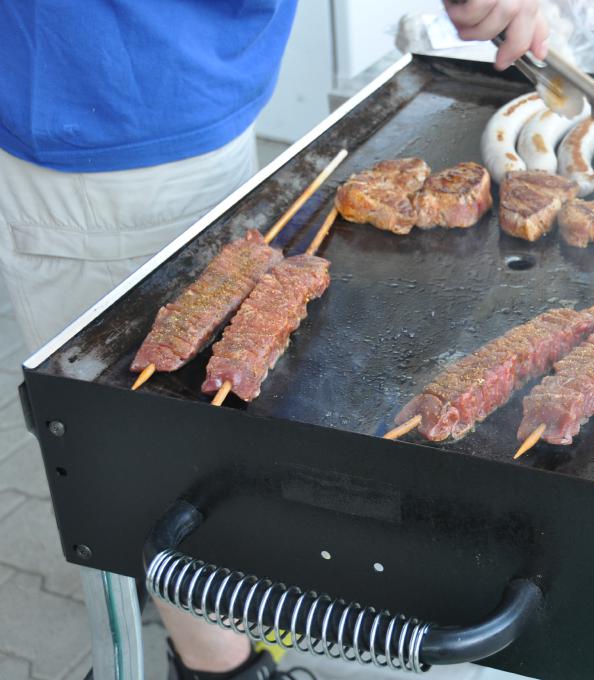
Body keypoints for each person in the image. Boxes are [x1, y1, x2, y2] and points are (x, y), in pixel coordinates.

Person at [0, 1, 546, 678]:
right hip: (98, 132)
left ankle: (188, 598)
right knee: (141, 457)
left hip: (204, 102)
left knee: (204, 427)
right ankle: (217, 666)